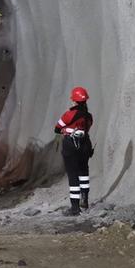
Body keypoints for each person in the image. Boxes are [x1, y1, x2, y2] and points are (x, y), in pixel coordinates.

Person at [54, 86, 94, 216]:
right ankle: (85, 200)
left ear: (74, 101)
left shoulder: (69, 114)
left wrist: (65, 130)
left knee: (73, 176)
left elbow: (57, 128)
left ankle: (75, 208)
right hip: (85, 146)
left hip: (71, 146)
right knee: (84, 172)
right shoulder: (89, 116)